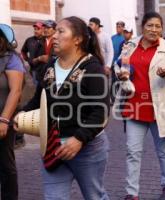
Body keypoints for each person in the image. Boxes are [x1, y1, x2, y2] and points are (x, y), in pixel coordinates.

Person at [15, 16, 110, 200]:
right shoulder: (50, 65)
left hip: (88, 149)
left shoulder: (93, 68)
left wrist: (79, 139)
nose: (54, 36)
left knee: (95, 196)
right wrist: (21, 114)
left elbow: (100, 112)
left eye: (61, 31)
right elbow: (38, 99)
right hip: (53, 146)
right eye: (55, 31)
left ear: (77, 39)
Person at [114, 12, 165, 200]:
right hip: (134, 106)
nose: (154, 30)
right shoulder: (130, 46)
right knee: (132, 152)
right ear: (142, 26)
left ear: (162, 28)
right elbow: (119, 65)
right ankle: (131, 193)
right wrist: (120, 74)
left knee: (163, 152)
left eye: (158, 26)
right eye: (150, 26)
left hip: (159, 109)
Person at [0, 23, 25, 200]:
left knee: (5, 164)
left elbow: (15, 91)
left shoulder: (10, 59)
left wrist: (4, 120)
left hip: (3, 117)